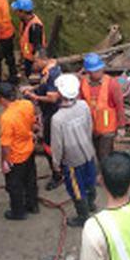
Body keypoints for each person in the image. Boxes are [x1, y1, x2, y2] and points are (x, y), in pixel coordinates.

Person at [50, 73, 98, 227]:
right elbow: (90, 127)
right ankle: (91, 204)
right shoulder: (83, 105)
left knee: (77, 189)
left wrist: (56, 163)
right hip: (88, 152)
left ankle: (83, 216)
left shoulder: (57, 119)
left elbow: (57, 145)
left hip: (72, 160)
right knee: (90, 180)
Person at [0, 82, 39, 220]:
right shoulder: (27, 104)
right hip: (29, 149)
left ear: (2, 99)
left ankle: (18, 212)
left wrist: (5, 161)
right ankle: (33, 204)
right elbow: (33, 123)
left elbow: (5, 145)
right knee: (30, 179)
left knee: (14, 186)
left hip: (16, 156)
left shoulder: (6, 118)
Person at [22, 55, 64, 190]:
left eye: (34, 62)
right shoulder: (51, 68)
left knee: (49, 145)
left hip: (52, 114)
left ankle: (58, 173)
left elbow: (52, 98)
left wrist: (35, 97)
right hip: (51, 112)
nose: (33, 65)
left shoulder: (52, 75)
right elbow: (44, 85)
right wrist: (33, 88)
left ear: (41, 59)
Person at [80, 53, 126, 164]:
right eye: (95, 71)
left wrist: (121, 126)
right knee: (98, 154)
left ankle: (107, 177)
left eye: (100, 69)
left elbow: (119, 106)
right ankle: (108, 172)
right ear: (89, 72)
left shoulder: (112, 84)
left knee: (104, 155)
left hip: (107, 129)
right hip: (92, 128)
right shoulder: (83, 83)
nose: (99, 72)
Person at [13, 0, 47, 78]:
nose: (15, 12)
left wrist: (35, 69)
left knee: (31, 77)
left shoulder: (35, 27)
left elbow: (38, 49)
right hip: (27, 57)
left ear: (23, 12)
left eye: (17, 11)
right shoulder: (24, 21)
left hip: (32, 59)